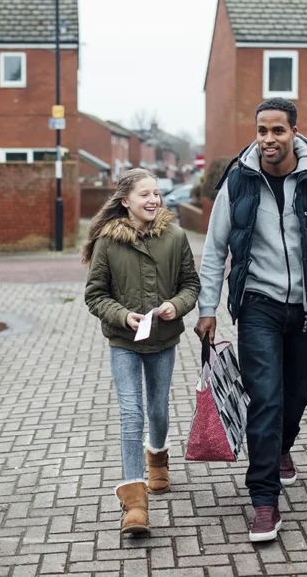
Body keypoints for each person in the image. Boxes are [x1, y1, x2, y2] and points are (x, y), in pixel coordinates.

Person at [195, 97, 307, 543]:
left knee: (298, 391)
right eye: (262, 131)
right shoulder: (239, 180)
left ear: (294, 132)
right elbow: (214, 250)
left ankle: (282, 449)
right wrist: (208, 309)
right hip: (258, 305)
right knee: (265, 398)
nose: (269, 140)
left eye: (277, 131)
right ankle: (264, 501)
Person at [83, 168, 201, 537]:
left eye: (156, 194)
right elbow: (95, 294)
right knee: (131, 414)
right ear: (125, 202)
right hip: (124, 341)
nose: (153, 200)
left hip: (163, 339)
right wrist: (123, 315)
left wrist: (175, 306)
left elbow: (191, 285)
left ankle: (159, 458)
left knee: (158, 409)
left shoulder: (176, 236)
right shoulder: (107, 241)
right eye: (144, 195)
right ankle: (135, 503)